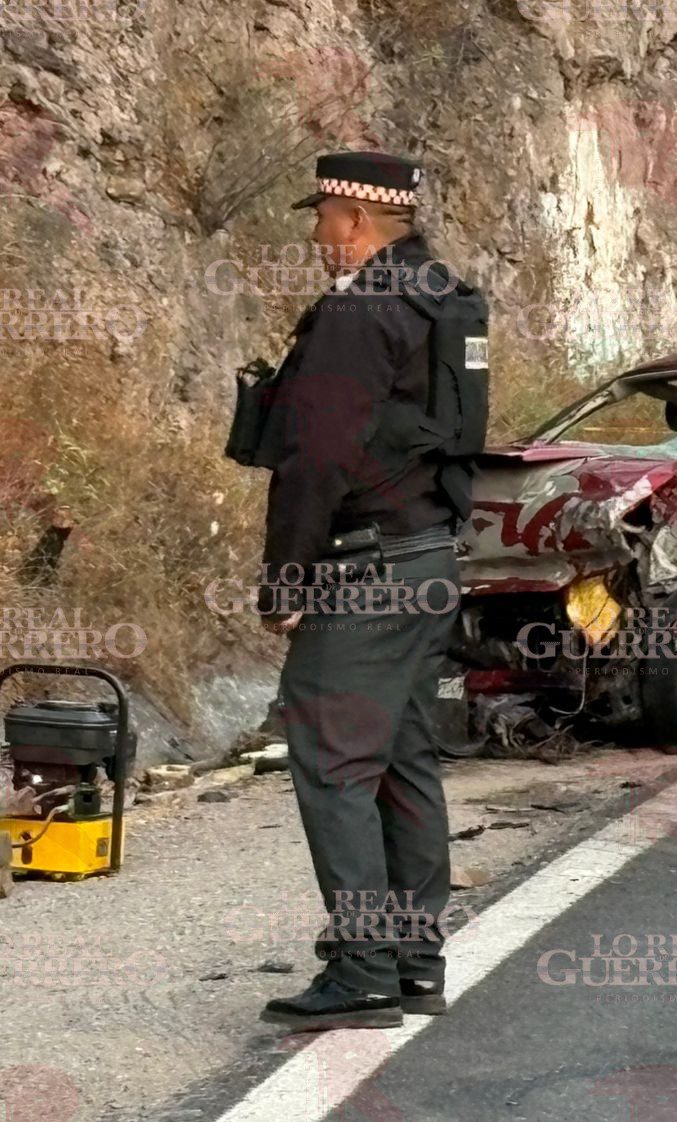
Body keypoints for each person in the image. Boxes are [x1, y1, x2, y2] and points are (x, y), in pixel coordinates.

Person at [242, 152, 484, 1031]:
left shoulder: (359, 312)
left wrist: (285, 578)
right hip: (428, 562)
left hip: (366, 568)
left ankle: (362, 969)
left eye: (323, 218)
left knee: (334, 759)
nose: (315, 236)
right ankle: (414, 960)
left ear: (353, 217)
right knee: (404, 759)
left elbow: (316, 457)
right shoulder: (447, 297)